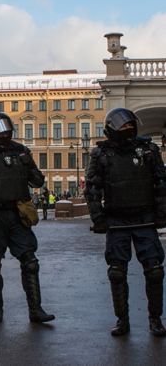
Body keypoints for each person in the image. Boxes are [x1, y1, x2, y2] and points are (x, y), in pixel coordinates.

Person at [0, 112, 55, 323]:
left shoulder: (20, 152)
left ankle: (36, 310)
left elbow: (37, 180)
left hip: (17, 216)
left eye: (6, 128)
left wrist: (28, 165)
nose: (3, 133)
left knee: (30, 262)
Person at [85, 107, 166, 337]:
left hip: (144, 219)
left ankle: (155, 319)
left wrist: (161, 213)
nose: (127, 129)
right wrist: (98, 218)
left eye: (130, 125)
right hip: (117, 221)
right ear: (111, 129)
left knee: (155, 271)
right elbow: (92, 188)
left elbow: (161, 183)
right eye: (122, 126)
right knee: (117, 272)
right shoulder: (101, 154)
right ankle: (122, 321)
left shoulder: (148, 150)